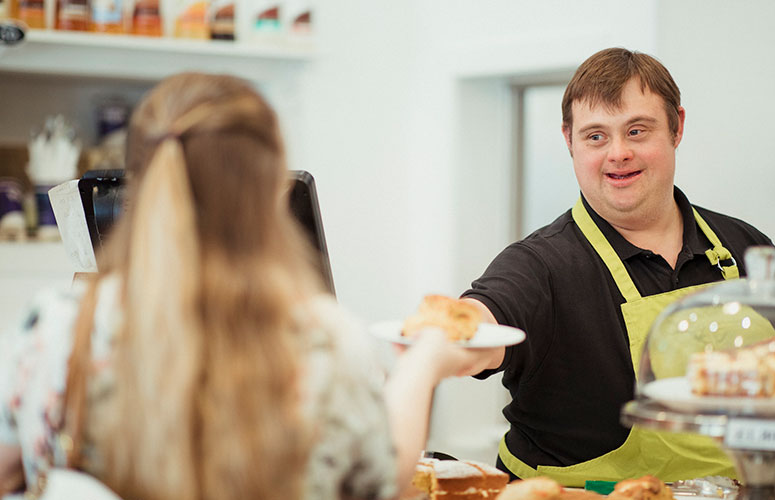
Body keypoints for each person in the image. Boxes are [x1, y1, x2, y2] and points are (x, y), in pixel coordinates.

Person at [0, 73, 483, 500]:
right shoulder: (325, 339)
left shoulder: (57, 321)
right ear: (275, 187)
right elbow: (382, 482)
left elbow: (9, 468)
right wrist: (423, 366)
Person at [457, 48, 775, 485]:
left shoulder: (745, 247)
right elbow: (481, 322)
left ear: (677, 127)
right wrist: (448, 337)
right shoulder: (540, 264)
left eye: (637, 131)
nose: (618, 153)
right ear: (569, 141)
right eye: (596, 136)